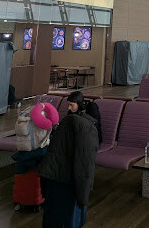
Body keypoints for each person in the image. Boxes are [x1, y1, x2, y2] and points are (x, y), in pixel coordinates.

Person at [39, 91, 99, 227]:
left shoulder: (77, 123)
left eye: (72, 105)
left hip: (59, 171)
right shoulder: (79, 123)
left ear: (80, 104)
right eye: (68, 105)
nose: (69, 108)